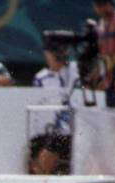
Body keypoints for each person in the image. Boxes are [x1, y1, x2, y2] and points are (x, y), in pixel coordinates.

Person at [29, 45, 81, 175]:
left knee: (56, 145)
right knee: (37, 152)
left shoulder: (76, 71)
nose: (56, 56)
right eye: (53, 52)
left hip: (74, 127)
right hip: (50, 128)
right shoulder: (41, 78)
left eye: (59, 52)